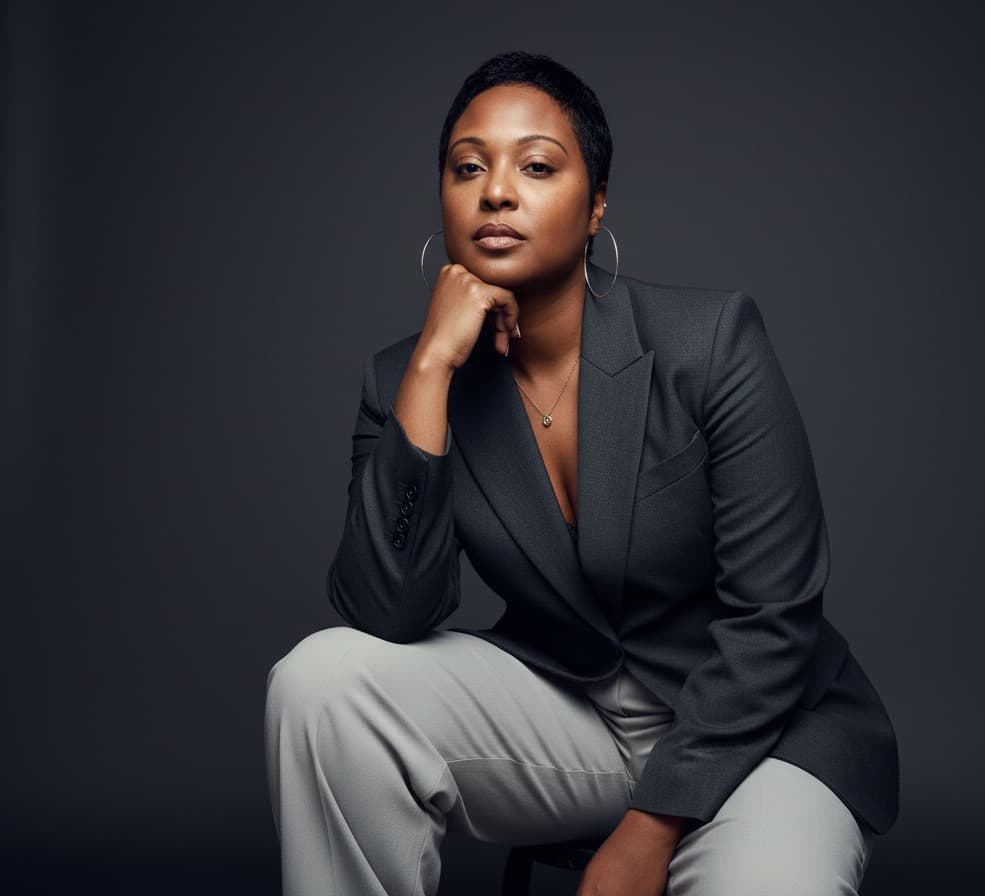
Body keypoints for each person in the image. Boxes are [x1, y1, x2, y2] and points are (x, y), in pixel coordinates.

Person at [265, 50, 899, 896]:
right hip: (572, 719)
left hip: (762, 731)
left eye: (536, 165)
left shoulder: (709, 343)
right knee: (321, 680)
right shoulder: (404, 380)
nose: (496, 191)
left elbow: (775, 618)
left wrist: (649, 829)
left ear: (595, 204)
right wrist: (430, 373)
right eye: (468, 167)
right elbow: (389, 611)